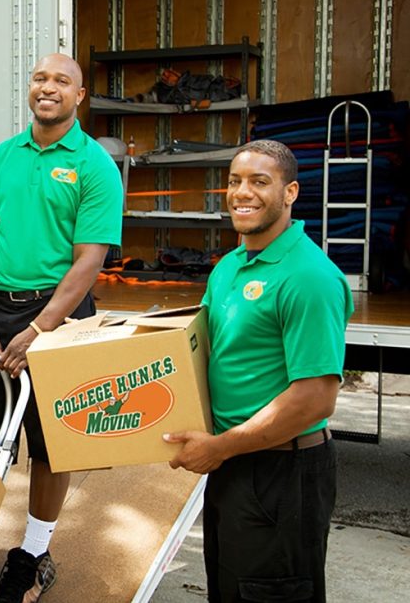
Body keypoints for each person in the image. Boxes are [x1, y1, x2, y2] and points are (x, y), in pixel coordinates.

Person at [0, 53, 123, 602]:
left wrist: (41, 330)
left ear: (80, 97)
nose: (47, 88)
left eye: (61, 81)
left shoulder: (95, 165)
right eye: (39, 79)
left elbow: (89, 259)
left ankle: (31, 554)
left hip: (62, 317)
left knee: (51, 448)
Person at [164, 140, 352, 603]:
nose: (241, 193)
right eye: (234, 182)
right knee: (231, 590)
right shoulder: (228, 267)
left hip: (282, 472)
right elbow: (199, 352)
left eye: (259, 182)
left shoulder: (309, 277)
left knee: (271, 593)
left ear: (290, 193)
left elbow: (314, 398)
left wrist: (219, 448)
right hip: (234, 465)